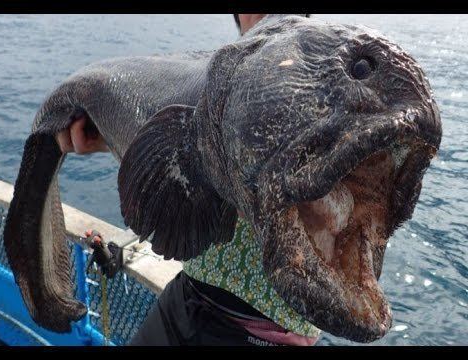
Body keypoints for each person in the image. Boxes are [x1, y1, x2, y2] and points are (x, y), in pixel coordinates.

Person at [57, 14, 320, 346]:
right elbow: (182, 167)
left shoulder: (320, 87)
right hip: (188, 295)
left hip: (265, 332)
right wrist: (107, 134)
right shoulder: (210, 85)